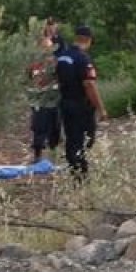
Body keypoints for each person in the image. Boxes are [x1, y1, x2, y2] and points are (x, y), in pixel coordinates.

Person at [55, 25, 108, 177]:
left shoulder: (63, 56)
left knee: (72, 139)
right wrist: (101, 109)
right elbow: (89, 85)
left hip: (65, 103)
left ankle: (74, 171)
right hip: (81, 106)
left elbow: (58, 79)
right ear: (88, 40)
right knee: (85, 139)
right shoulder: (82, 58)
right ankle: (81, 175)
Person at [27, 31, 61, 164]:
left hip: (53, 100)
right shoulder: (34, 64)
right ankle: (37, 156)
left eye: (49, 47)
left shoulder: (55, 62)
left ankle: (54, 155)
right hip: (39, 102)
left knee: (55, 129)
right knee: (38, 128)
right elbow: (28, 79)